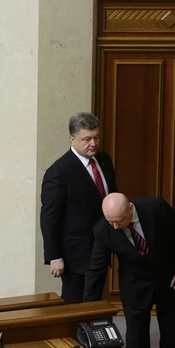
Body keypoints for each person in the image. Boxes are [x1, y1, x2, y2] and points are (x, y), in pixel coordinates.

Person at [84, 193, 175, 348]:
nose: (115, 226)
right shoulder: (103, 228)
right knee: (136, 339)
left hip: (169, 278)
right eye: (111, 222)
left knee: (172, 336)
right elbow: (96, 268)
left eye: (119, 221)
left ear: (130, 209)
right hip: (135, 284)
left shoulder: (156, 208)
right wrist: (88, 308)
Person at [40, 112, 117, 304]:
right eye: (87, 139)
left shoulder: (104, 161)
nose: (93, 143)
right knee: (75, 304)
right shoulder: (58, 172)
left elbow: (111, 196)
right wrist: (55, 256)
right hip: (75, 254)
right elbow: (49, 218)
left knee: (95, 302)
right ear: (72, 139)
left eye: (96, 138)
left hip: (101, 247)